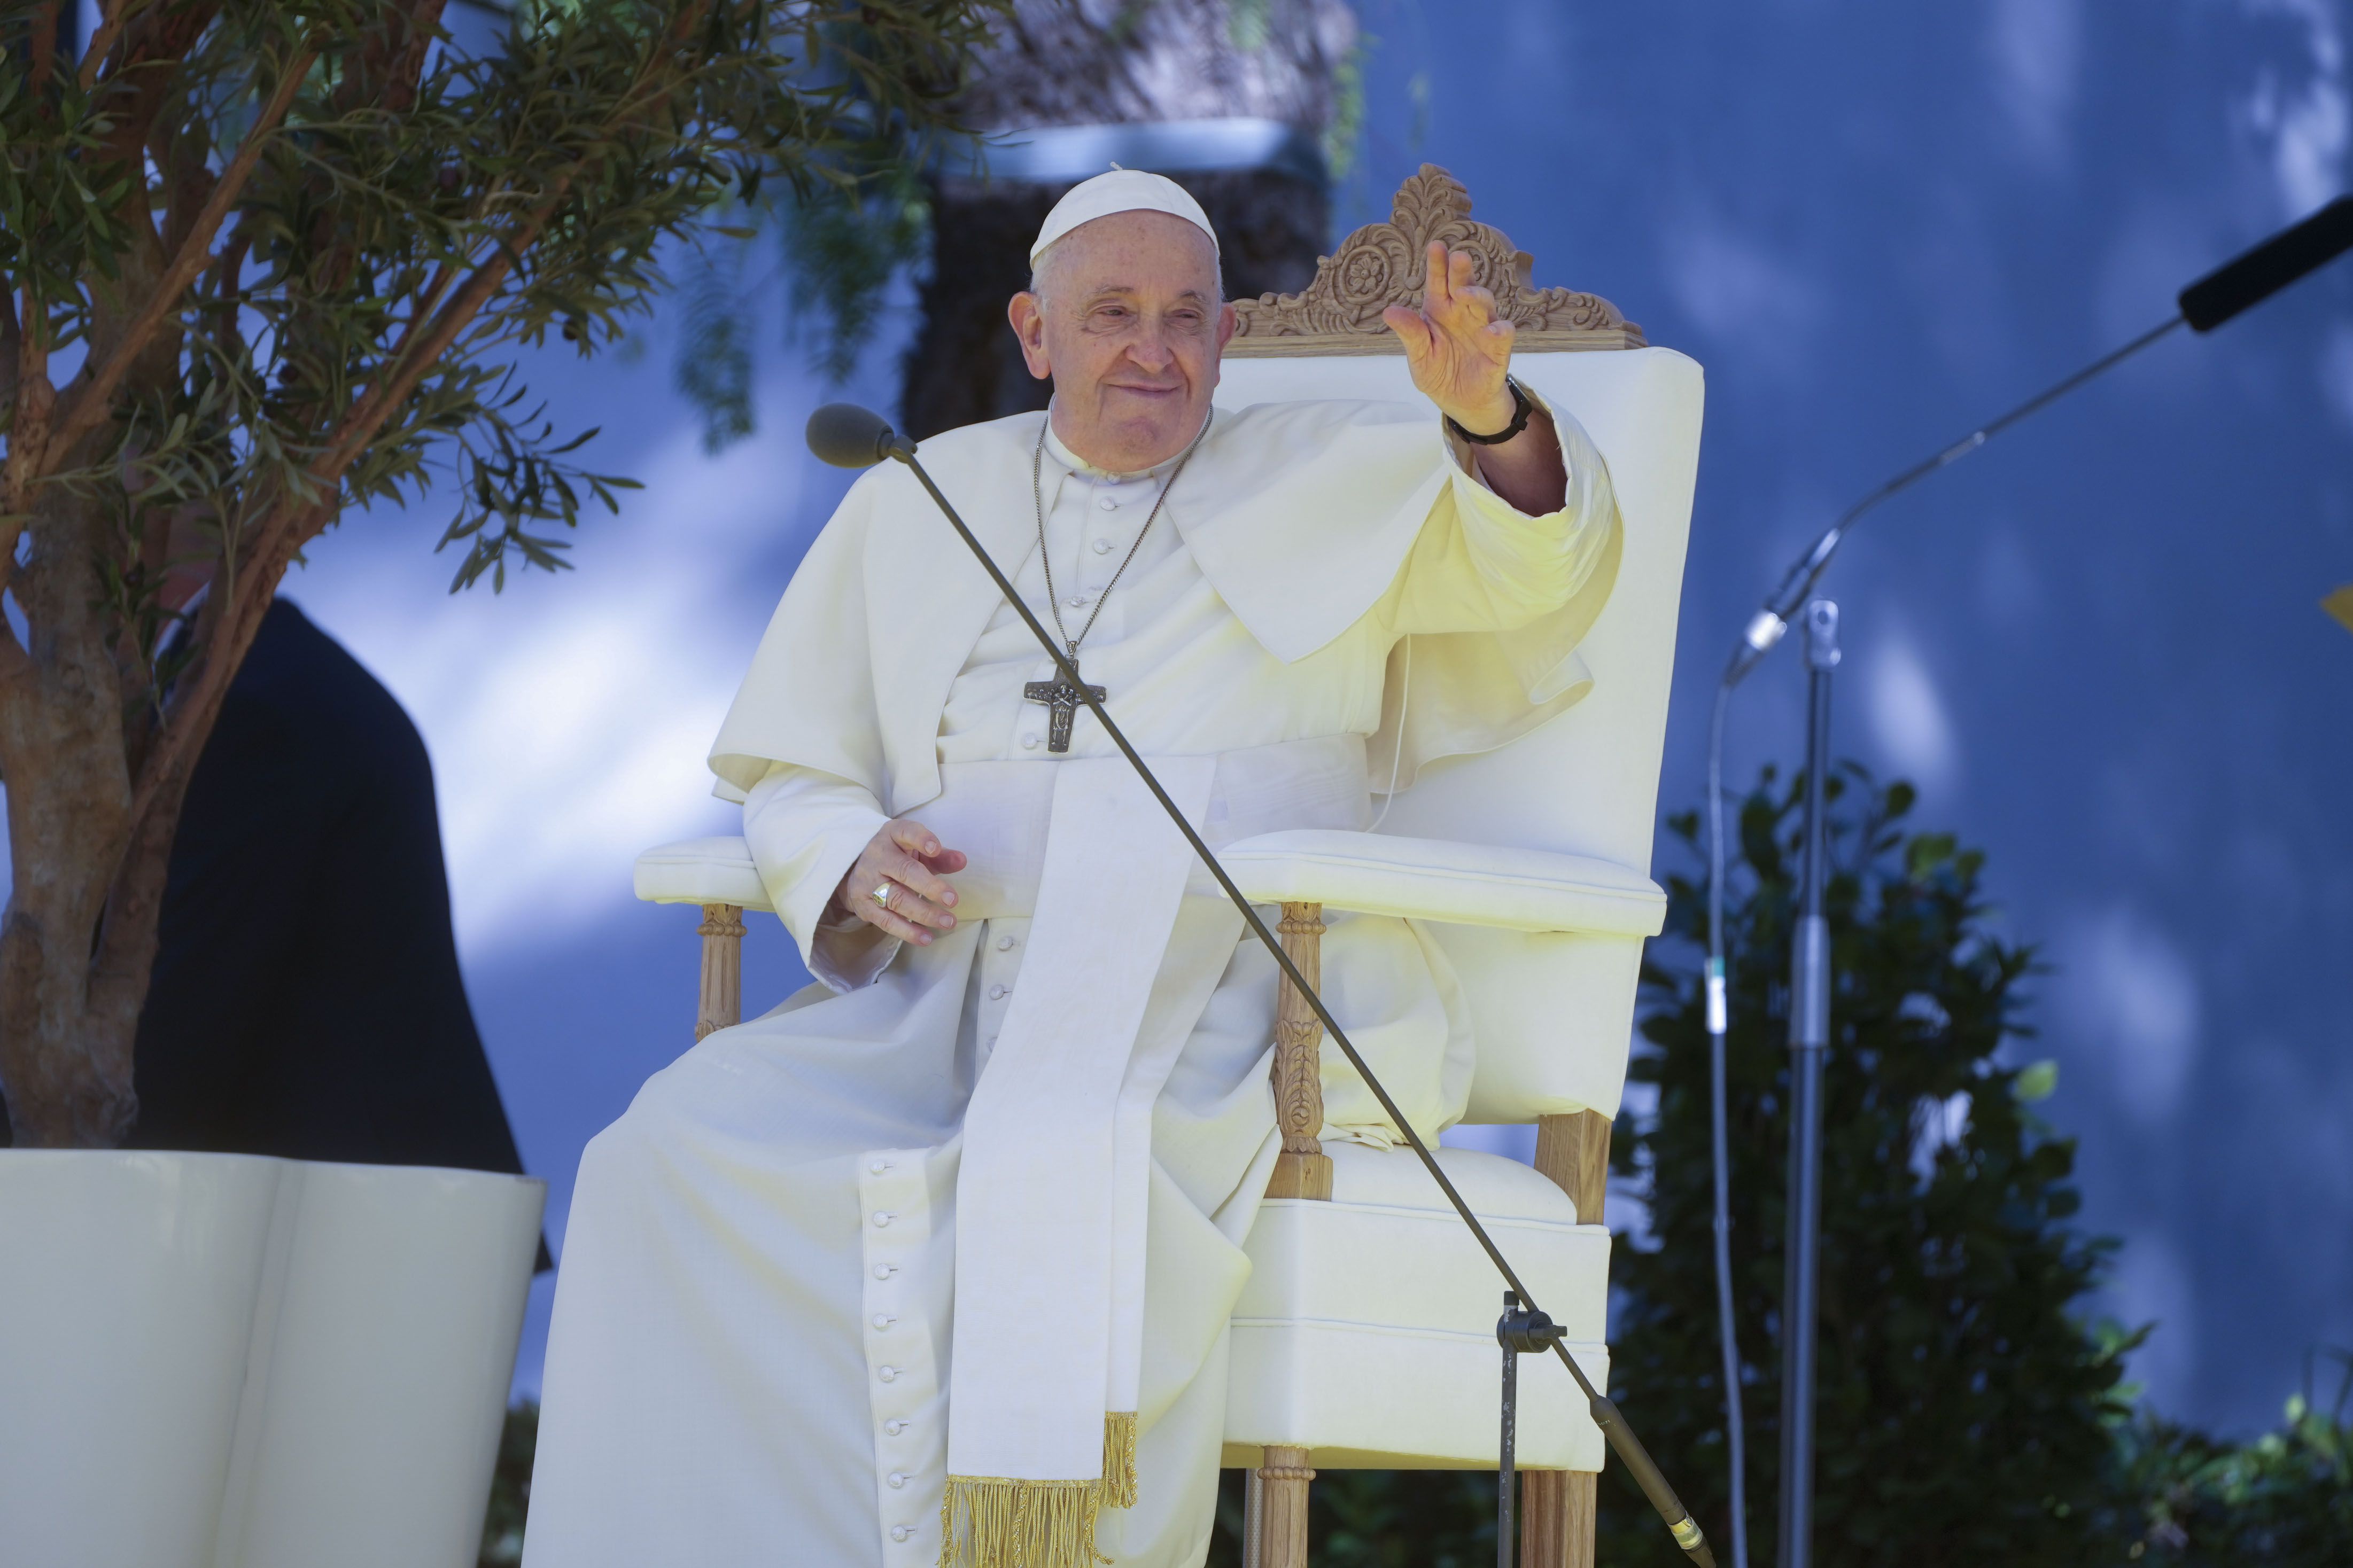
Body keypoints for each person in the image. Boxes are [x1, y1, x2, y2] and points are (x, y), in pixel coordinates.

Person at [525, 170, 1621, 1568]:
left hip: (1232, 993)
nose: (1153, 350)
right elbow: (794, 769)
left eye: (1185, 316)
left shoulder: (1344, 463)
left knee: (1048, 1150)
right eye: (1111, 316)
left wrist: (1485, 415)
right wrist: (848, 857)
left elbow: (1537, 565)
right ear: (1034, 333)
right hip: (940, 988)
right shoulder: (921, 495)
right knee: (657, 1158)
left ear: (1225, 338)